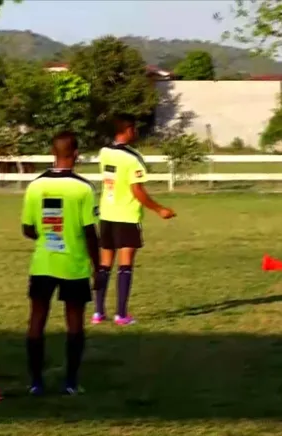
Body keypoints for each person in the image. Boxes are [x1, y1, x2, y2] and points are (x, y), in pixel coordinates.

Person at [21, 131, 99, 396]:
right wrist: (99, 267)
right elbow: (90, 232)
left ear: (53, 153)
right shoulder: (83, 188)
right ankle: (71, 383)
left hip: (43, 263)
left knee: (37, 320)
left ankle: (35, 383)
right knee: (74, 322)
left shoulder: (35, 186)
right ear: (75, 154)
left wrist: (49, 235)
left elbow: (28, 229)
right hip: (73, 264)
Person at [93, 114, 176, 326]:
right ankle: (121, 315)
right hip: (126, 215)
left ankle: (98, 313)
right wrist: (159, 209)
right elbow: (137, 190)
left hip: (106, 213)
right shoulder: (132, 158)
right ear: (129, 130)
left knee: (104, 265)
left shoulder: (104, 152)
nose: (136, 132)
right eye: (135, 129)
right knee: (125, 264)